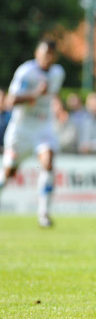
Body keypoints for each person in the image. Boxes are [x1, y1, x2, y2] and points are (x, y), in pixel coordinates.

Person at [0, 39, 65, 227]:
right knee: (9, 173)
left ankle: (43, 214)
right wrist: (36, 94)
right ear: (37, 53)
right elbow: (10, 101)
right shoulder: (26, 72)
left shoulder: (58, 73)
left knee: (48, 162)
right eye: (45, 54)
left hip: (43, 128)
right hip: (21, 130)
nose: (48, 58)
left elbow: (54, 94)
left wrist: (59, 106)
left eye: (51, 55)